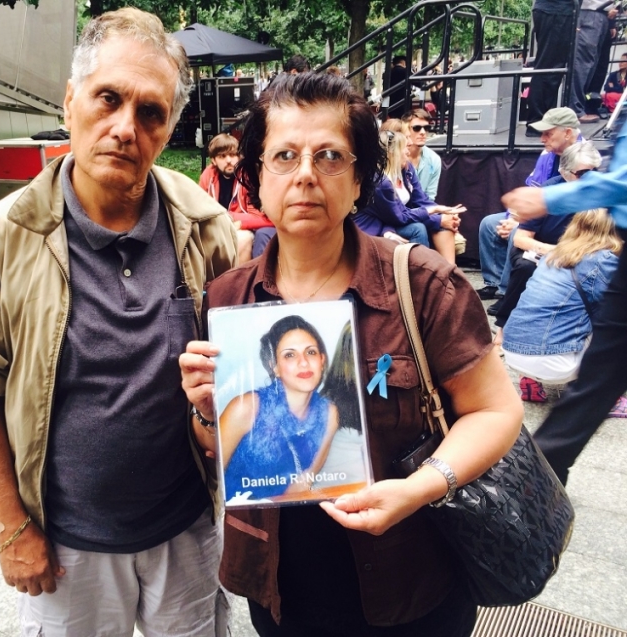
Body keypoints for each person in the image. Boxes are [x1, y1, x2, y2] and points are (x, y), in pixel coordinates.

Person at [0, 8, 237, 637]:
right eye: (108, 98)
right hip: (68, 549)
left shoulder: (206, 228)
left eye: (150, 112)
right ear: (70, 102)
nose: (126, 127)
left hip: (186, 528)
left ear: (169, 126)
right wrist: (11, 530)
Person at [179, 72, 522, 637]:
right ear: (258, 177)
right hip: (282, 591)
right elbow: (222, 446)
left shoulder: (421, 284)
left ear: (360, 175)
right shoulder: (227, 299)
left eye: (330, 156)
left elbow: (496, 411)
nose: (306, 176)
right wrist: (202, 409)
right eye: (284, 156)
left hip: (410, 582)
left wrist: (421, 486)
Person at [502, 106, 627, 484]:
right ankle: (537, 476)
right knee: (600, 358)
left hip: (521, 353)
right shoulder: (598, 257)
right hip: (545, 354)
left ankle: (536, 476)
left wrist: (553, 200)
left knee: (601, 369)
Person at [491, 141, 602, 352]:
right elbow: (521, 239)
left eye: (595, 172)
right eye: (583, 173)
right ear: (565, 172)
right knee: (525, 267)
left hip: (584, 253)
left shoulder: (599, 192)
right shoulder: (549, 191)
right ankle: (503, 328)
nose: (590, 179)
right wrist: (553, 251)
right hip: (544, 248)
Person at [502, 209, 622, 400]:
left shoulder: (552, 256)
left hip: (513, 351)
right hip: (555, 363)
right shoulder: (604, 260)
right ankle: (608, 397)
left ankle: (530, 381)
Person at [220, 316, 339, 502]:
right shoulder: (246, 408)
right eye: (290, 355)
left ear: (322, 360)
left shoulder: (329, 413)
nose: (304, 363)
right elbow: (210, 479)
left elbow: (303, 483)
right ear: (274, 366)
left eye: (311, 352)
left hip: (290, 517)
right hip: (240, 521)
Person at [477, 107, 582, 300]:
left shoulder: (585, 157)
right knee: (490, 224)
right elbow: (530, 190)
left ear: (567, 133)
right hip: (534, 215)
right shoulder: (547, 154)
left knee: (517, 233)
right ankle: (493, 283)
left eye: (548, 134)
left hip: (559, 223)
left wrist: (520, 224)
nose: (542, 139)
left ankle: (508, 291)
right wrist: (513, 217)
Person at [353, 119, 463, 265]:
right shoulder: (381, 181)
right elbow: (395, 216)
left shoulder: (405, 169)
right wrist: (436, 215)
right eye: (406, 139)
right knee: (419, 228)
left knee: (443, 224)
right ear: (392, 150)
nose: (409, 145)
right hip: (372, 227)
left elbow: (420, 200)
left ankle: (450, 273)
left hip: (399, 218)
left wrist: (443, 214)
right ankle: (422, 274)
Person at [200, 133, 276, 262]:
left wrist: (231, 218)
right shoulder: (208, 175)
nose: (229, 160)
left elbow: (261, 216)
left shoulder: (247, 177)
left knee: (243, 239)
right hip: (216, 225)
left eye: (233, 155)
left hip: (242, 227)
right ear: (213, 160)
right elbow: (199, 208)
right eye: (222, 156)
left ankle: (241, 280)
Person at [525, 0, 575, 136]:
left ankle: (541, 120)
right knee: (549, 67)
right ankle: (537, 122)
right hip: (555, 11)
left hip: (556, 10)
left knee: (551, 68)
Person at [570, 0, 618, 123]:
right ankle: (575, 109)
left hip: (603, 14)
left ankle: (584, 106)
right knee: (583, 63)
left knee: (593, 65)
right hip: (589, 12)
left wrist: (611, 23)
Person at [402, 108, 441, 199]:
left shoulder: (434, 159)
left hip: (422, 208)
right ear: (405, 130)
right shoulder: (396, 157)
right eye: (417, 128)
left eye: (426, 128)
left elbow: (430, 197)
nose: (423, 132)